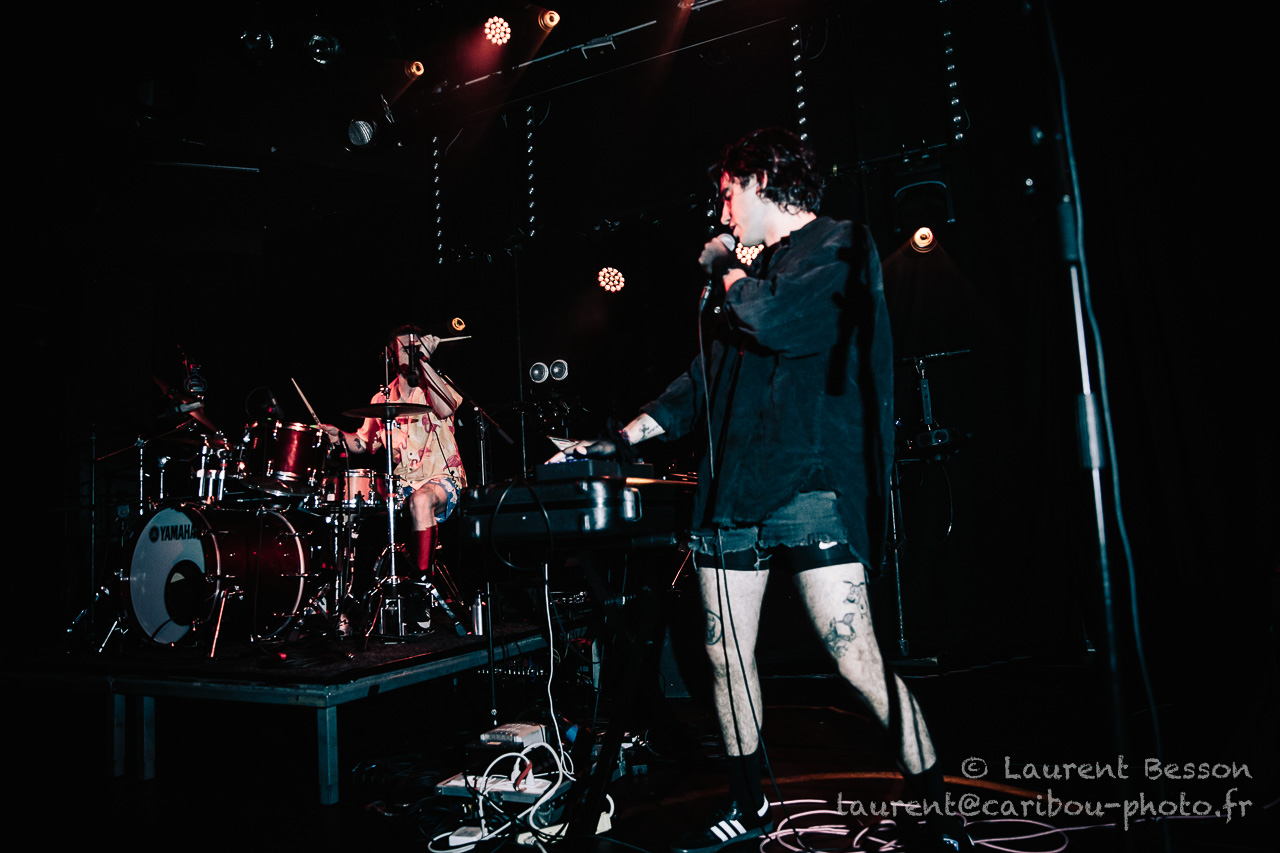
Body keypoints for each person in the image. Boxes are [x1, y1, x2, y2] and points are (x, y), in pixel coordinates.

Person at [555, 129, 966, 852]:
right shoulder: (743, 283)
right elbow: (698, 385)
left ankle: (937, 812)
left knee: (855, 657)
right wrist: (617, 441)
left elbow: (777, 320)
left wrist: (724, 266)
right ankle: (749, 807)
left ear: (761, 181)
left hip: (809, 483)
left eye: (727, 194)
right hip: (731, 490)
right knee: (725, 659)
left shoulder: (840, 246)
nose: (722, 212)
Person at [321, 325, 466, 581]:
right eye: (406, 349)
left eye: (416, 347)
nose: (412, 352)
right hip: (401, 486)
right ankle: (346, 586)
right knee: (346, 507)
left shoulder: (434, 386)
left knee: (421, 500)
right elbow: (364, 443)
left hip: (442, 478)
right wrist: (339, 436)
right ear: (390, 356)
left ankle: (422, 583)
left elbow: (445, 409)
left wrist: (424, 361)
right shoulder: (382, 399)